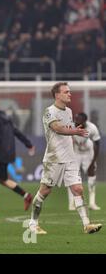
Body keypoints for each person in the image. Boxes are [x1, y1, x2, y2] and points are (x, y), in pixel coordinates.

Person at [28, 82, 102, 235]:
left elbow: (67, 131)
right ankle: (33, 224)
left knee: (78, 189)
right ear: (57, 95)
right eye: (66, 92)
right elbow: (57, 129)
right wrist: (76, 131)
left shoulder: (69, 111)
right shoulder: (49, 112)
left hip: (70, 158)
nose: (70, 94)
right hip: (54, 158)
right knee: (44, 191)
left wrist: (74, 133)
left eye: (70, 91)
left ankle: (87, 225)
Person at [0, 94, 35, 212]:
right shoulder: (6, 117)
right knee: (2, 179)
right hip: (7, 153)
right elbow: (16, 132)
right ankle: (26, 196)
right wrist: (28, 144)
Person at [68, 112, 101, 210]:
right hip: (76, 152)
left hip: (88, 152)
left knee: (92, 174)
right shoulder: (70, 126)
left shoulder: (92, 128)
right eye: (75, 120)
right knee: (72, 177)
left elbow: (97, 144)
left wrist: (93, 161)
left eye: (79, 120)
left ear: (85, 121)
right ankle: (72, 204)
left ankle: (92, 203)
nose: (76, 122)